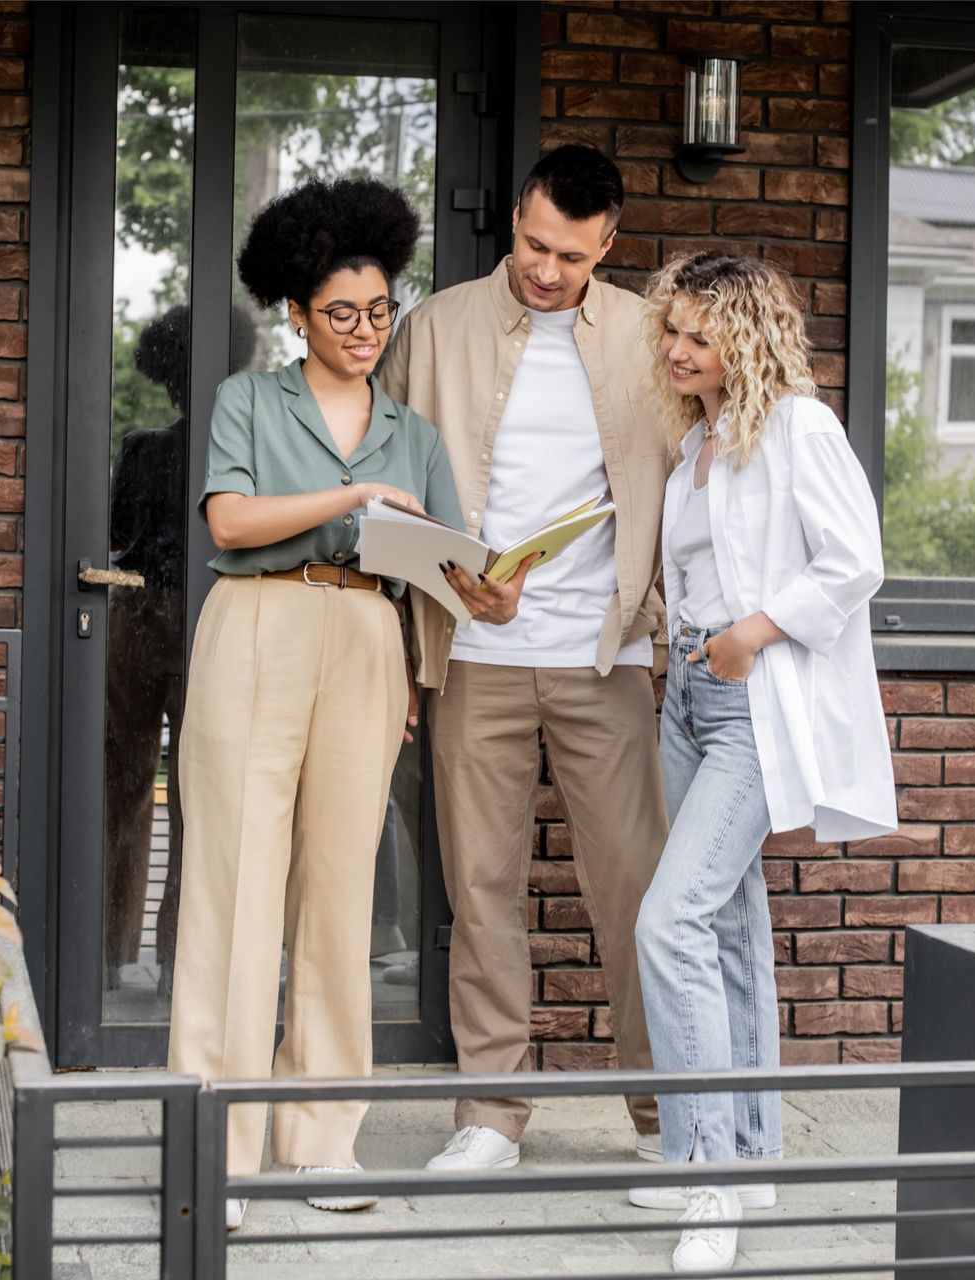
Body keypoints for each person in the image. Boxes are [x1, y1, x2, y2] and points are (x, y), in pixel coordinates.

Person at [166, 177, 464, 1233]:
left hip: (367, 635)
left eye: (381, 310)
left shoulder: (415, 432)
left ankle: (321, 1139)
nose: (365, 330)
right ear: (296, 312)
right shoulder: (252, 400)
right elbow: (234, 523)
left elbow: (444, 563)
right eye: (342, 312)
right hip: (258, 625)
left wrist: (489, 582)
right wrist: (354, 495)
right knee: (233, 893)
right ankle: (219, 1143)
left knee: (340, 898)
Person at [375, 144, 674, 1172]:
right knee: (482, 883)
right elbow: (390, 478)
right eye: (534, 243)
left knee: (635, 887)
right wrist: (443, 584)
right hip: (474, 653)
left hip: (607, 655)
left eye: (572, 257)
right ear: (515, 215)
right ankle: (491, 1114)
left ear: (609, 246)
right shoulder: (437, 326)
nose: (546, 270)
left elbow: (694, 481)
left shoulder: (647, 336)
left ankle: (661, 1114)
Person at [632, 251, 897, 1274]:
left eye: (698, 334)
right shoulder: (696, 439)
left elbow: (855, 560)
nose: (676, 348)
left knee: (673, 917)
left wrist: (754, 629)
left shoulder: (799, 427)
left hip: (753, 701)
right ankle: (749, 1151)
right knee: (732, 923)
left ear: (746, 336)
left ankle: (705, 1175)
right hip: (688, 699)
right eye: (672, 331)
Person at [104, 304, 257, 1002]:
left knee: (125, 792)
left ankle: (109, 958)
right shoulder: (243, 450)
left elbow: (113, 535)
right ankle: (176, 966)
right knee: (196, 800)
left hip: (136, 618)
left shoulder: (142, 448)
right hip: (204, 624)